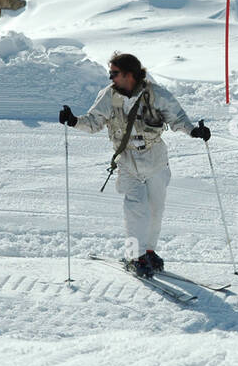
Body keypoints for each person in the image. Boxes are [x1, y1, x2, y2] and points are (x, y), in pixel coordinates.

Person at [59, 52, 210, 277]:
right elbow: (93, 122)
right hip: (128, 161)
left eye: (115, 73)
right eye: (110, 73)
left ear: (129, 74)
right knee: (135, 211)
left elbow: (177, 119)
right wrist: (73, 121)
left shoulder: (156, 94)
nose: (111, 78)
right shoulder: (108, 96)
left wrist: (194, 131)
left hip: (155, 160)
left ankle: (148, 252)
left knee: (155, 211)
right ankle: (133, 255)